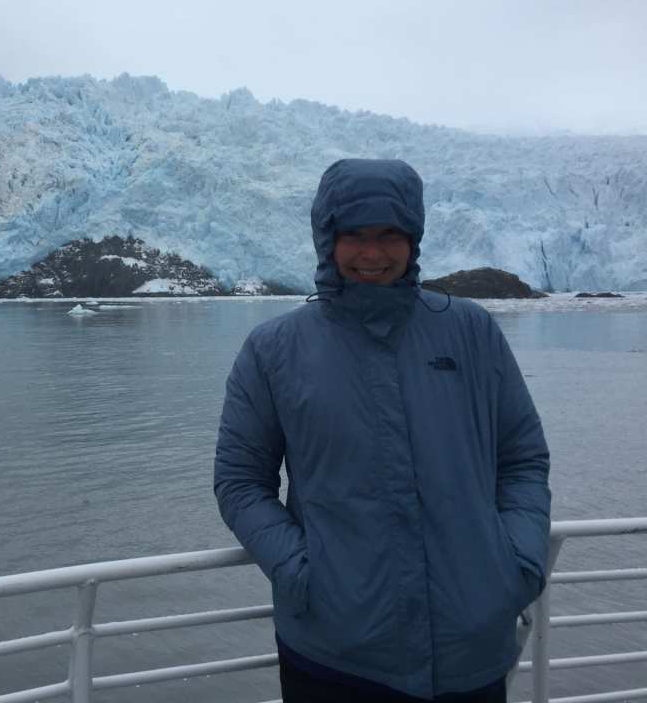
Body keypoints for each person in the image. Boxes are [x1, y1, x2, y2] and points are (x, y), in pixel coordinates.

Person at [214, 158, 551, 702]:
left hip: (471, 644)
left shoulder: (471, 331)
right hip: (334, 653)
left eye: (390, 233)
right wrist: (303, 574)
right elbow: (240, 482)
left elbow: (522, 460)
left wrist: (517, 562)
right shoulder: (274, 349)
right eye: (355, 235)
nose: (373, 253)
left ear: (413, 237)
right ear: (328, 238)